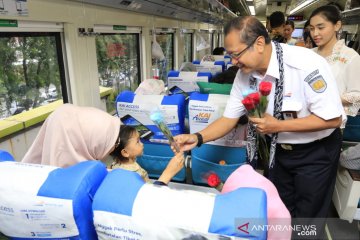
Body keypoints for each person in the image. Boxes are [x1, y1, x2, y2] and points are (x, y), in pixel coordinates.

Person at [175, 16, 345, 236]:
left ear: (258, 43)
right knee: (278, 211)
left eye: (236, 54)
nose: (234, 61)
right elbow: (229, 119)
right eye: (230, 56)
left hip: (315, 153)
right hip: (277, 154)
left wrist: (279, 126)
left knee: (307, 219)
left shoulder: (305, 64)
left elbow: (332, 119)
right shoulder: (244, 76)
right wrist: (197, 138)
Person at [22, 104, 184, 185]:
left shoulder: (38, 178)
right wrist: (166, 176)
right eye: (113, 142)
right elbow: (139, 209)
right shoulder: (86, 187)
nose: (114, 148)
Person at [309, 5, 360, 117]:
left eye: (320, 28)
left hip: (337, 121)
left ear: (337, 26)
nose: (315, 33)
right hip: (309, 119)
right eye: (312, 29)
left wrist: (326, 98)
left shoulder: (350, 57)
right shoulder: (309, 54)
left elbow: (357, 94)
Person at [110, 125, 184, 184]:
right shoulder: (136, 174)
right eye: (138, 141)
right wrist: (168, 173)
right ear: (125, 152)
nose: (142, 144)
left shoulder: (114, 165)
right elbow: (149, 194)